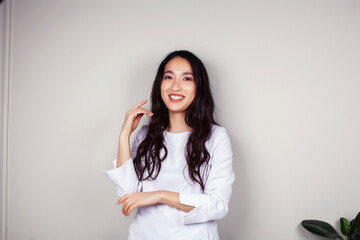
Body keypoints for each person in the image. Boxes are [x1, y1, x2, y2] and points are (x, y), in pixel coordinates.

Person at [104, 50, 235, 240]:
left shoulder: (216, 137)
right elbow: (128, 194)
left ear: (199, 87)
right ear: (160, 85)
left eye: (187, 79)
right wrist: (125, 135)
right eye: (169, 77)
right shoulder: (145, 136)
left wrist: (161, 196)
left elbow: (217, 205)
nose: (176, 86)